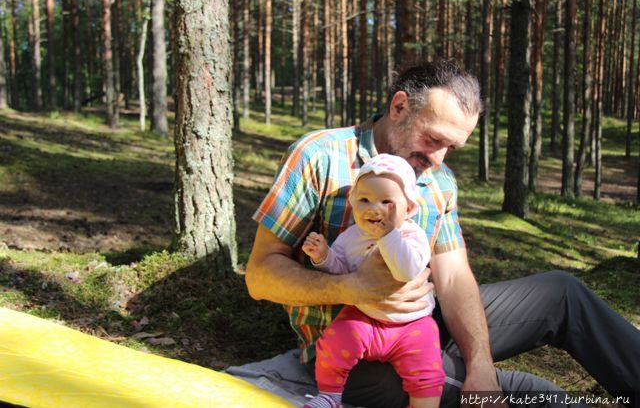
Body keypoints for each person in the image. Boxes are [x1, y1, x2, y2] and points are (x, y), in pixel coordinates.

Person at [245, 59, 640, 408]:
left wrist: (481, 363)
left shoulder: (439, 180)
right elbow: (260, 275)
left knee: (562, 293)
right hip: (352, 351)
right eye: (433, 139)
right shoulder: (319, 156)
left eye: (452, 147)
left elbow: (453, 277)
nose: (437, 158)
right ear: (399, 107)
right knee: (538, 394)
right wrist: (352, 287)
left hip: (422, 321)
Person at [302, 153, 444, 408]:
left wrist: (388, 235)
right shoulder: (350, 237)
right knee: (334, 341)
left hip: (411, 324)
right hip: (365, 317)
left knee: (427, 370)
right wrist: (324, 256)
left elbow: (406, 271)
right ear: (353, 203)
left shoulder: (412, 235)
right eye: (365, 200)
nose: (374, 208)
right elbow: (342, 271)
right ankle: (330, 395)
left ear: (409, 208)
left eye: (386, 201)